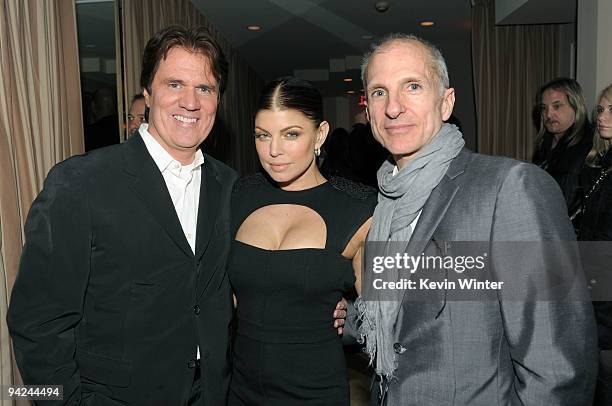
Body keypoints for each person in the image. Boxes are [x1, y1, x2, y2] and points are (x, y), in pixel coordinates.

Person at [345, 33, 598, 405]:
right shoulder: (386, 204)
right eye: (379, 92)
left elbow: (557, 364)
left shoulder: (509, 188)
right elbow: (403, 314)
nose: (393, 108)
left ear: (446, 102)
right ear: (368, 112)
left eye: (412, 86)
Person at [227, 77, 376, 405]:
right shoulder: (238, 195)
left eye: (291, 134)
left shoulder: (359, 208)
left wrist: (350, 314)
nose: (273, 150)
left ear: (320, 134)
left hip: (316, 393)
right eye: (262, 135)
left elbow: (389, 314)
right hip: (240, 389)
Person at [576, 83, 612, 406]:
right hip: (594, 273)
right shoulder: (597, 164)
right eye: (600, 109)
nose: (602, 117)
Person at [532, 77, 592, 212]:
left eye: (557, 106)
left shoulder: (589, 145)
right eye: (543, 108)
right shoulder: (544, 144)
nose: (548, 114)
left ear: (576, 106)